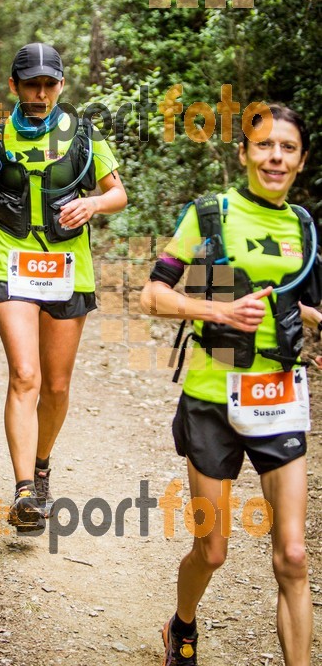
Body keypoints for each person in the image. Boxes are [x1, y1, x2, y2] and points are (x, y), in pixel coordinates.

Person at [140, 104, 322, 666]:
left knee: (292, 554)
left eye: (287, 148)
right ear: (243, 153)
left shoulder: (305, 228)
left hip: (279, 397)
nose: (275, 157)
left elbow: (310, 304)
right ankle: (183, 624)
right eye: (264, 146)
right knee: (212, 550)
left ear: (301, 160)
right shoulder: (210, 215)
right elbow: (152, 295)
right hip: (212, 399)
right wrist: (214, 311)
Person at [0, 43, 127, 531]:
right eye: (31, 85)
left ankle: (42, 464)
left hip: (70, 266)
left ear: (62, 85)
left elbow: (118, 193)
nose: (41, 93)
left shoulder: (85, 135)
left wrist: (93, 206)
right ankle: (25, 489)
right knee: (26, 375)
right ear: (14, 87)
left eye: (49, 84)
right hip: (13, 262)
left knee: (57, 385)